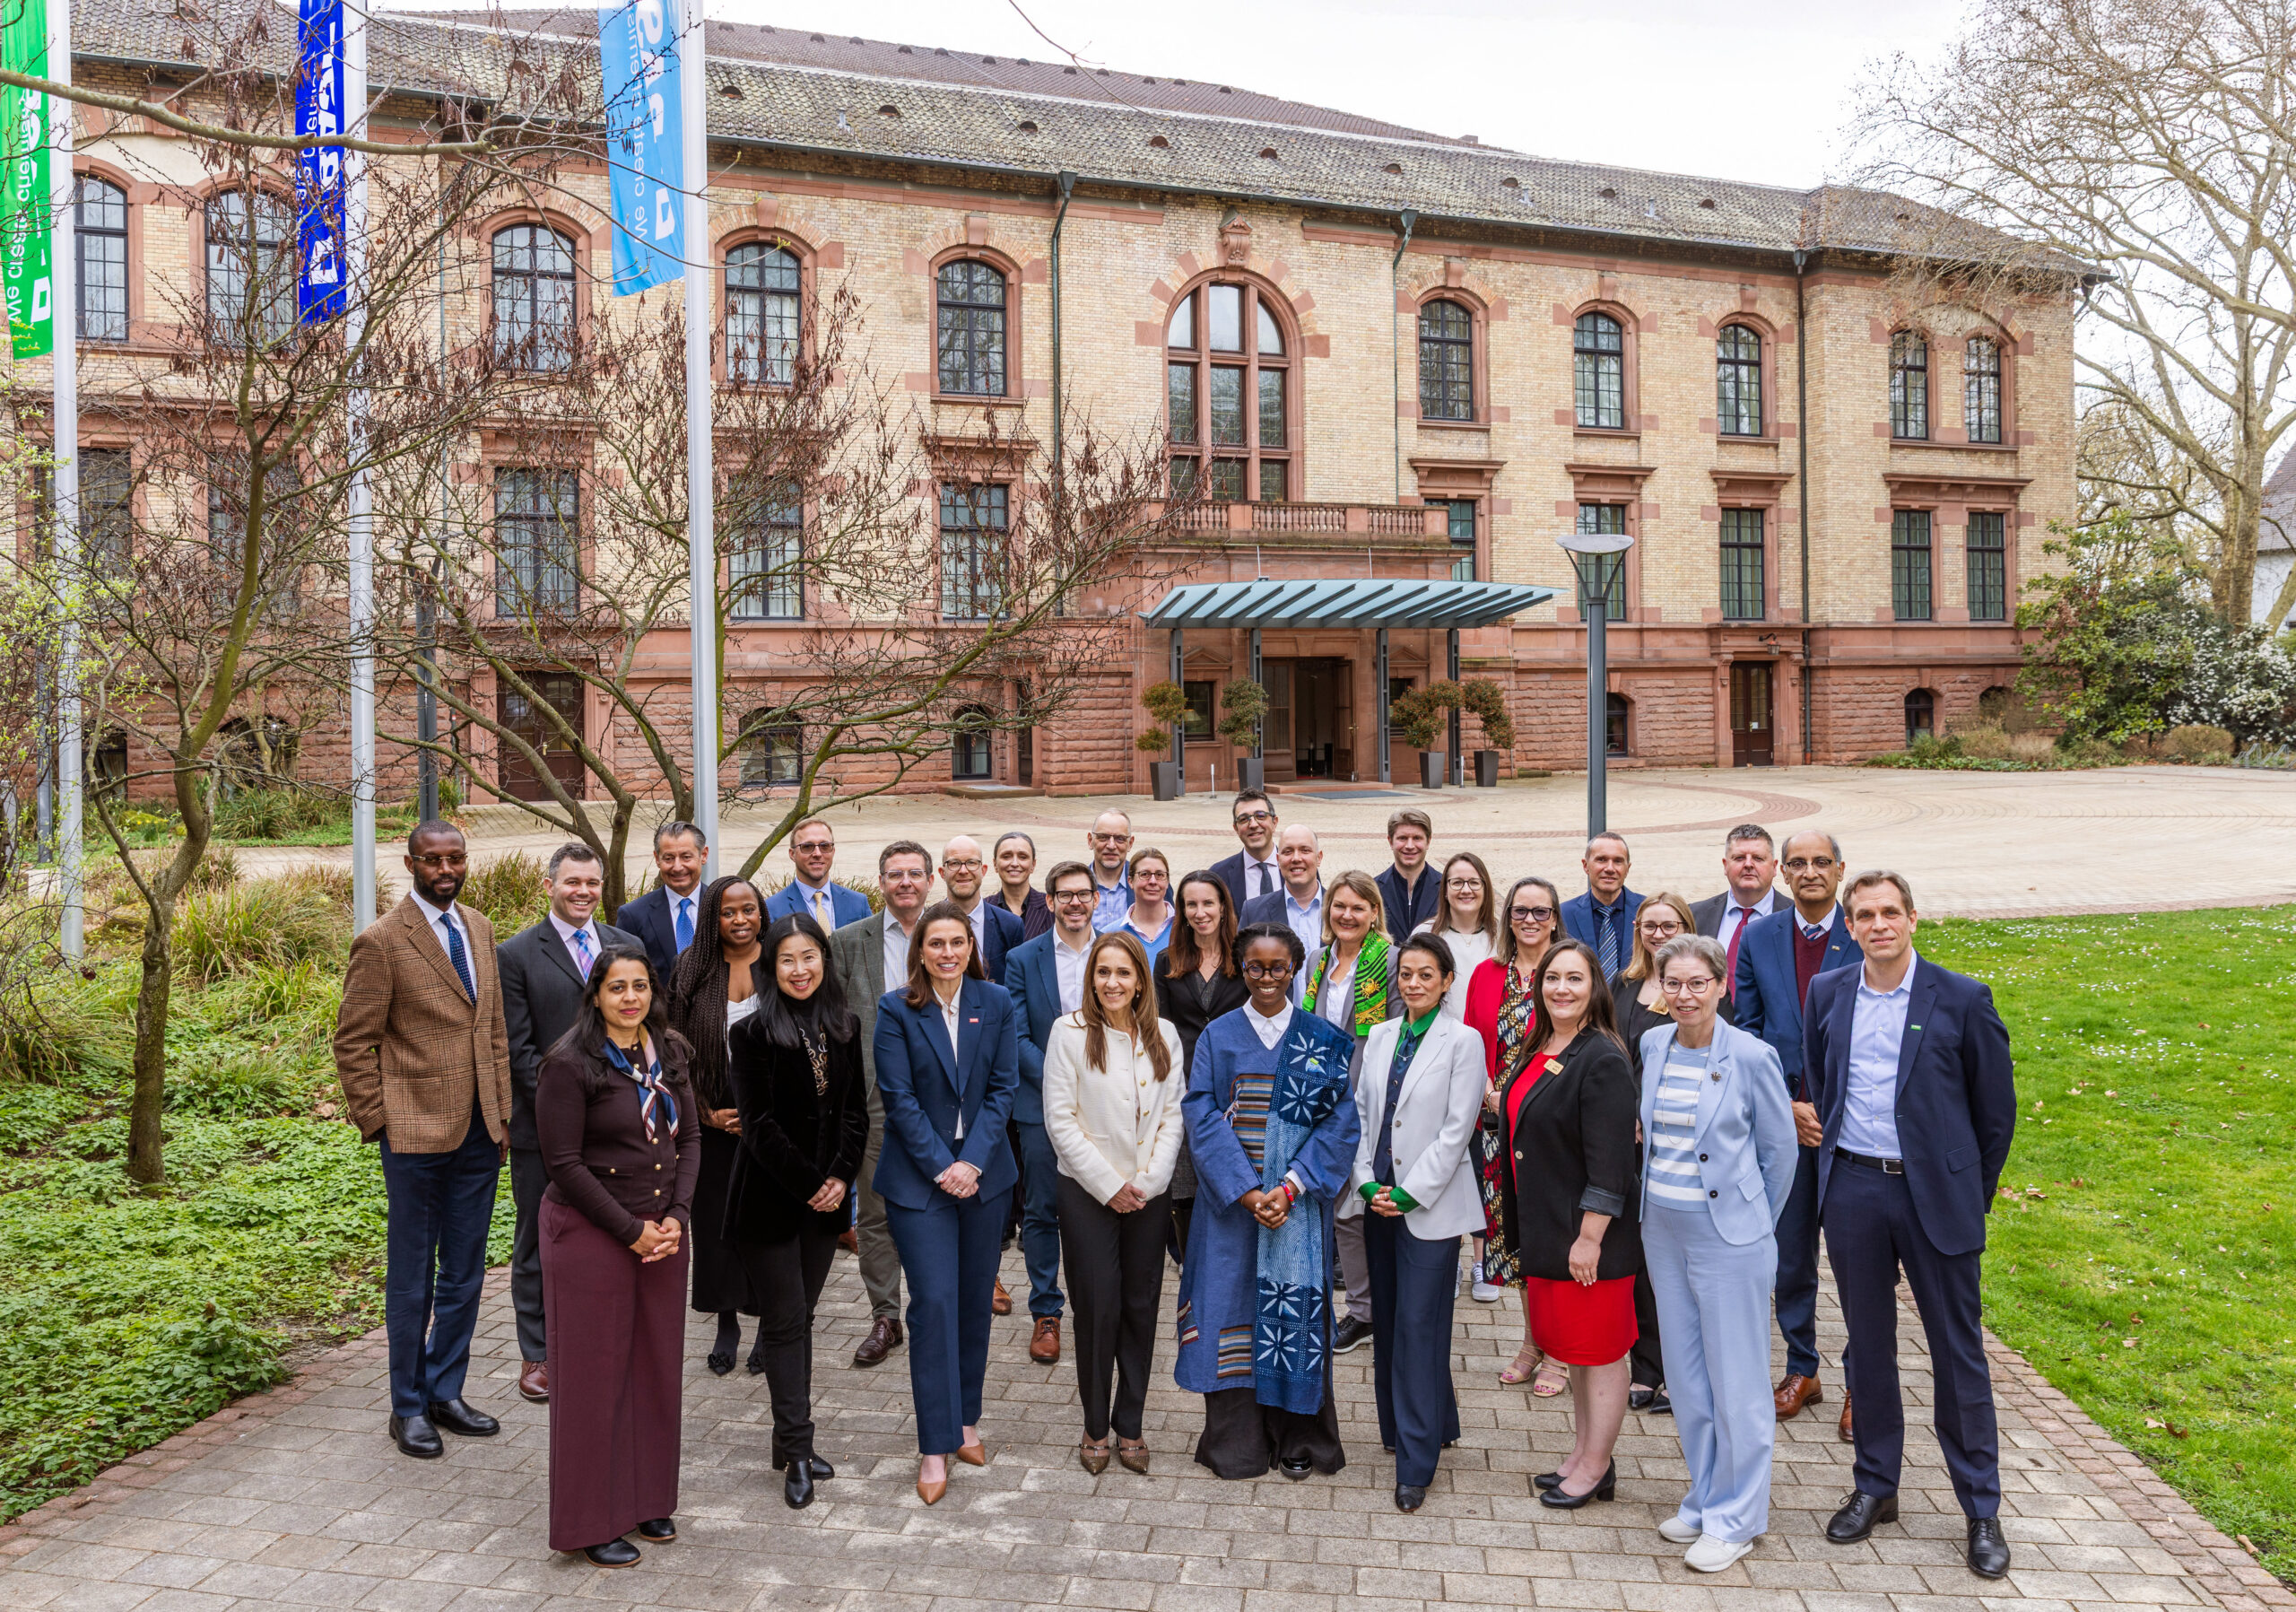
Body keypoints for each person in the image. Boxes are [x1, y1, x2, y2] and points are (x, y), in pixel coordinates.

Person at [1807, 872, 2016, 1581]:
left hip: (1936, 1196)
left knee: (1958, 1354)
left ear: (1913, 918)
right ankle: (1876, 1484)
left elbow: (1995, 1112)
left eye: (1889, 911)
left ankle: (1980, 1505)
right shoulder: (1829, 992)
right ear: (1851, 924)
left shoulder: (1960, 997)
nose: (1878, 924)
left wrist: (1966, 1189)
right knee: (1867, 1348)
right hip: (1855, 1190)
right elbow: (1822, 1080)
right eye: (1863, 914)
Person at [333, 821, 512, 1461]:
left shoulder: (481, 927)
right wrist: (379, 1120)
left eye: (455, 857)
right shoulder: (382, 941)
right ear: (410, 862)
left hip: (479, 1131)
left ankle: (445, 1389)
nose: (445, 868)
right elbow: (353, 1040)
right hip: (412, 1136)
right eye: (432, 859)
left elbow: (490, 1027)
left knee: (464, 1272)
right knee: (412, 1278)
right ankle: (406, 1405)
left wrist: (503, 1112)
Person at [1635, 935, 1796, 1573]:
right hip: (1663, 1230)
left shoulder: (1752, 1056)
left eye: (1697, 983)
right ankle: (1704, 1495)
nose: (1685, 995)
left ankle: (1739, 1518)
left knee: (1739, 1383)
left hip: (1729, 1236)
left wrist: (1750, 1223)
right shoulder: (1653, 1044)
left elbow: (1780, 1153)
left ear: (1721, 985)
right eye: (1673, 983)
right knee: (1689, 1376)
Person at [1176, 922, 1361, 1481]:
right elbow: (1201, 1114)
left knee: (1295, 1320)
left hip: (1296, 1210)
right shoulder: (1218, 1036)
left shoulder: (1323, 1038)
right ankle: (1239, 1444)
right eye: (1254, 967)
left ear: (1294, 969)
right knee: (1229, 1312)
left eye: (1278, 967)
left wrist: (1291, 1187)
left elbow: (1341, 1121)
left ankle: (1301, 1437)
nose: (1266, 978)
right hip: (1232, 1210)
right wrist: (1250, 1191)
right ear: (1241, 968)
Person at [533, 944, 698, 1567]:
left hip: (662, 1236)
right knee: (593, 1377)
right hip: (591, 1233)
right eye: (616, 987)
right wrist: (631, 1229)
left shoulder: (670, 1052)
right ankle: (587, 1520)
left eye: (640, 986)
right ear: (595, 995)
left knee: (654, 1368)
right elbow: (564, 1164)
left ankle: (646, 1497)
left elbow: (694, 1136)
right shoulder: (569, 1064)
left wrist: (677, 1218)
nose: (630, 997)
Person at [871, 900, 1022, 1504]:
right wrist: (943, 1165)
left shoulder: (997, 1002)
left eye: (957, 941)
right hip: (919, 1179)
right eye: (936, 943)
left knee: (972, 1303)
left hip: (985, 1175)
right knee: (933, 1303)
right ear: (921, 950)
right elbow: (897, 1097)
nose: (948, 952)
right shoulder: (895, 1009)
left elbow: (1004, 1087)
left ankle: (965, 1421)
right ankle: (935, 1444)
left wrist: (973, 1162)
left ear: (970, 945)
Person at [724, 912, 866, 1510]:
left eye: (809, 957)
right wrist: (814, 1182)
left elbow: (856, 1112)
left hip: (823, 1206)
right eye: (787, 959)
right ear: (770, 967)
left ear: (824, 963)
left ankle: (787, 1439)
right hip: (768, 1202)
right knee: (784, 1322)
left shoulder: (845, 1026)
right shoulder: (750, 1033)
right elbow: (757, 1126)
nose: (800, 969)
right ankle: (799, 1451)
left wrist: (840, 1177)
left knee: (800, 1319)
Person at [1496, 938, 1639, 1511]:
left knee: (1601, 1354)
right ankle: (1583, 1454)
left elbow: (1612, 1161)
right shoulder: (1545, 1043)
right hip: (1550, 1229)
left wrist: (1590, 1236)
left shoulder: (1601, 1055)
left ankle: (1598, 1466)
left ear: (1594, 988)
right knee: (1576, 1353)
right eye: (1553, 977)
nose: (1561, 988)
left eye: (1575, 979)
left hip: (1589, 1240)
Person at [1344, 934, 1485, 1512]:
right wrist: (1367, 1183)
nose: (1414, 983)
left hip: (1429, 1205)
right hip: (1378, 1200)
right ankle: (1407, 1425)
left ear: (1447, 980)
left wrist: (1408, 1192)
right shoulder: (1379, 1035)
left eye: (1427, 974)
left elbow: (1459, 1130)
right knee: (1391, 1321)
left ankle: (1416, 1463)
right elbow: (1359, 1113)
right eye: (1406, 973)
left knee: (1420, 1328)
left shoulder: (1464, 1041)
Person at [497, 843, 637, 1404]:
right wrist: (573, 1107)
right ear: (549, 884)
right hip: (545, 1131)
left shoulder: (626, 947)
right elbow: (518, 1048)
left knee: (607, 1237)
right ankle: (538, 1354)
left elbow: (641, 1032)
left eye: (592, 883)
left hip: (621, 1130)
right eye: (572, 882)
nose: (583, 892)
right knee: (538, 1240)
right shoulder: (517, 954)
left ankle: (598, 1343)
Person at [1042, 932, 1186, 1475]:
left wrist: (1147, 1183)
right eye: (1103, 972)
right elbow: (1061, 1120)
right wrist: (1110, 1185)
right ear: (1091, 978)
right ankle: (1095, 1424)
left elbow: (1173, 1113)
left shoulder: (1164, 1034)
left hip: (1148, 1194)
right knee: (1098, 1306)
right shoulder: (1069, 1032)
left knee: (1139, 1307)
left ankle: (1132, 1423)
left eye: (1124, 973)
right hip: (1086, 1192)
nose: (1112, 983)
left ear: (1141, 980)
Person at [1733, 829, 1862, 1431]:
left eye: (1821, 862)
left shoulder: (1865, 933)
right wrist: (1784, 1104)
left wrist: (1827, 1110)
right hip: (1785, 1124)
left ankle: (1863, 1382)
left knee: (1862, 1258)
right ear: (1783, 873)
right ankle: (1802, 1367)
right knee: (1790, 1257)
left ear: (1840, 869)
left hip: (1853, 1128)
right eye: (1798, 863)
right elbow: (1748, 1028)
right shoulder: (1759, 936)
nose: (1810, 872)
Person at [827, 841, 937, 1367]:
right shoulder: (849, 943)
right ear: (881, 881)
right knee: (874, 1212)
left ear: (930, 880)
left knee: (939, 1205)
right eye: (895, 875)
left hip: (941, 1097)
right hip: (874, 1096)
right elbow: (835, 1024)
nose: (905, 883)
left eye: (914, 873)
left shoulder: (951, 937)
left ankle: (937, 1309)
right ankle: (885, 1317)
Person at [1461, 876, 1566, 1392]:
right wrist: (1482, 1087)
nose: (1529, 920)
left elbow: (1576, 1046)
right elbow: (1470, 1040)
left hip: (1549, 1123)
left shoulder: (1566, 972)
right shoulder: (1487, 972)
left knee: (1552, 1236)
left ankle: (1561, 1354)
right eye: (1520, 911)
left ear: (1554, 918)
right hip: (1494, 1126)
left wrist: (1523, 1096)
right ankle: (1531, 1341)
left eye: (1540, 912)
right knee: (1516, 1236)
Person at [1606, 888, 1705, 1414]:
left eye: (1670, 925)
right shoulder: (1622, 986)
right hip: (1627, 1138)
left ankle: (1681, 1372)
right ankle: (1645, 1367)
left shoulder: (1697, 989)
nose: (1659, 933)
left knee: (1683, 1262)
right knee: (1643, 1261)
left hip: (1680, 1140)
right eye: (1650, 925)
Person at [665, 876, 768, 1374]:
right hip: (710, 1114)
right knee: (715, 1223)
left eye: (749, 909)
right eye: (729, 912)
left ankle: (770, 1320)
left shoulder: (782, 961)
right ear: (714, 918)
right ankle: (726, 1319)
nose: (741, 919)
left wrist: (763, 1114)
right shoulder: (693, 968)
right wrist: (702, 1108)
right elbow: (672, 1046)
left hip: (771, 1119)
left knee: (765, 1224)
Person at [1002, 859, 1100, 1365]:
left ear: (1096, 899)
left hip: (1107, 1108)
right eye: (1065, 895)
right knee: (1042, 1210)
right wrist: (1063, 1084)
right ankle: (1047, 1311)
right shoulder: (1022, 959)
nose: (1076, 903)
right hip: (1041, 1105)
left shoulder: (1115, 952)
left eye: (1083, 894)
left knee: (1097, 1206)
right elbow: (1016, 1035)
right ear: (1051, 902)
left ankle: (1097, 1305)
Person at [1300, 868, 1395, 1355]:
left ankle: (1374, 1309)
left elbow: (1396, 1034)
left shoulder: (1391, 961)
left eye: (1358, 907)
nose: (1347, 915)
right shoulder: (1317, 961)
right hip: (1320, 1102)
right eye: (1339, 906)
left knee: (1363, 1208)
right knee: (1334, 1207)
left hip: (1371, 1103)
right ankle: (1347, 1307)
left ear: (1374, 913)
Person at [1153, 870, 1248, 1261]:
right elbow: (1159, 1029)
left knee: (1234, 1176)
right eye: (1191, 904)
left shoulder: (1246, 957)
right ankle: (1191, 1259)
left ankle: (1231, 1258)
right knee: (1186, 1182)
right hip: (1186, 1088)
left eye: (1208, 902)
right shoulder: (1166, 962)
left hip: (1237, 1089)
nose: (1200, 912)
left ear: (1223, 906)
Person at [1690, 824, 1780, 997]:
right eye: (1739, 858)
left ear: (1775, 867)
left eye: (1758, 858)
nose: (1748, 864)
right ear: (1725, 865)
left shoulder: (1795, 916)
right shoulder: (1695, 916)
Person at [617, 820, 709, 980]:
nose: (678, 867)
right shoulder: (633, 916)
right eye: (669, 858)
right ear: (657, 858)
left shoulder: (724, 906)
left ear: (704, 855)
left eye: (686, 857)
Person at [1414, 851, 1497, 1021]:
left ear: (1485, 889)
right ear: (1445, 890)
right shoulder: (1425, 935)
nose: (1466, 890)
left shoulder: (1503, 936)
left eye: (1474, 883)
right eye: (1457, 882)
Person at [939, 833, 1026, 982]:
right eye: (954, 863)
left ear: (983, 870)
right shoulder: (926, 923)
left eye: (971, 863)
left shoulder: (1011, 926)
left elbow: (1017, 985)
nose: (963, 871)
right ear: (942, 873)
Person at [765, 817, 873, 932]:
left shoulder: (858, 903)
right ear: (792, 854)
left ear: (833, 851)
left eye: (824, 846)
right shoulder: (772, 909)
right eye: (807, 847)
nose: (817, 853)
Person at [1561, 832, 1645, 979]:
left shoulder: (1647, 912)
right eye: (1601, 860)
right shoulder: (1563, 915)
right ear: (1586, 866)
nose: (1610, 868)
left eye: (1618, 861)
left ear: (1627, 868)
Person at [1238, 823, 1325, 961]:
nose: (1296, 858)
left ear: (1319, 858)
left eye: (1305, 850)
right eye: (1288, 852)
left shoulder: (1341, 911)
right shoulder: (1253, 912)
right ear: (1278, 860)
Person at [1371, 808, 1439, 940]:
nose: (1409, 845)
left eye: (1417, 838)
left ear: (1428, 841)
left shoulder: (1446, 888)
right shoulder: (1373, 889)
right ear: (1390, 841)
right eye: (1402, 838)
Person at [1210, 789, 1283, 909]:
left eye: (1260, 816)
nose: (1253, 825)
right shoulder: (1218, 875)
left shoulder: (1300, 867)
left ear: (1274, 823)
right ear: (1236, 828)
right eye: (1244, 819)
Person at [1115, 847, 1175, 971]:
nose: (1153, 881)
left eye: (1159, 875)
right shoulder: (1111, 934)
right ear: (1130, 881)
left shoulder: (1186, 930)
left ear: (1167, 881)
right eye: (1145, 874)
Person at [991, 831, 1053, 939]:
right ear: (995, 864)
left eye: (1023, 857)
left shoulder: (1052, 907)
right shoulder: (984, 909)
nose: (1015, 863)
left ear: (1033, 865)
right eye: (1006, 856)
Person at [1085, 809, 1135, 931]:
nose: (1111, 846)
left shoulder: (1150, 885)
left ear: (1130, 843)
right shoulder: (1073, 886)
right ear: (1090, 840)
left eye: (1120, 839)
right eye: (1103, 837)